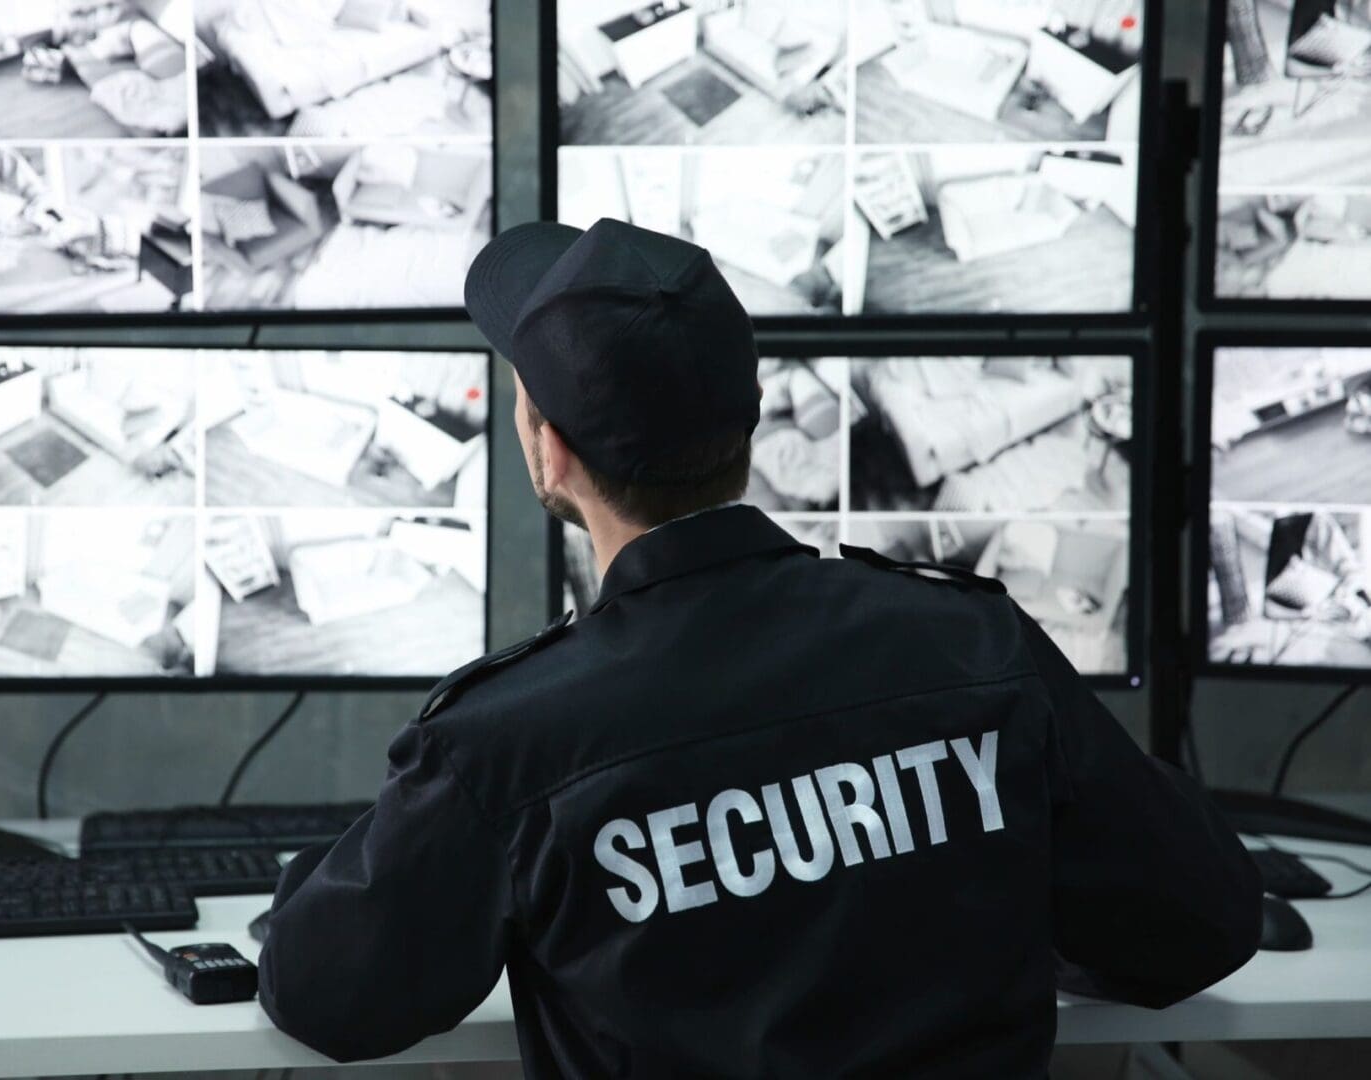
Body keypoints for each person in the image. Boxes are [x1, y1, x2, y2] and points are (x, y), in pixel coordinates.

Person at [255, 218, 1262, 1077]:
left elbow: (325, 996)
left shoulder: (505, 745)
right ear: (745, 422)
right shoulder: (975, 644)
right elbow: (1204, 924)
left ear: (548, 449)